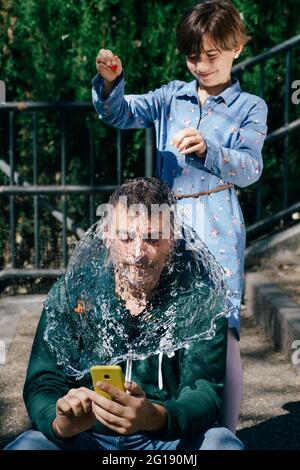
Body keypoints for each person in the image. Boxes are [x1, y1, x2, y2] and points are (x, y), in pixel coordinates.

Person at [91, 0, 268, 432]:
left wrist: (210, 150)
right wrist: (110, 83)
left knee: (221, 331)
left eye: (211, 55)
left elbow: (250, 169)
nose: (202, 66)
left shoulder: (251, 107)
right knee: (162, 318)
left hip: (220, 226)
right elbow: (120, 113)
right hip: (164, 225)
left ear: (236, 48)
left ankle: (222, 433)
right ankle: (169, 427)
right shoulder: (171, 95)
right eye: (193, 56)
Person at [5, 177, 244, 450]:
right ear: (107, 234)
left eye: (153, 238)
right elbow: (43, 380)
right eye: (126, 237)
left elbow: (205, 391)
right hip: (85, 439)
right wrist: (59, 423)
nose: (137, 253)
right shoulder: (75, 292)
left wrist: (154, 417)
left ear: (173, 238)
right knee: (27, 446)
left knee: (222, 444)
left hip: (167, 444)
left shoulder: (199, 297)